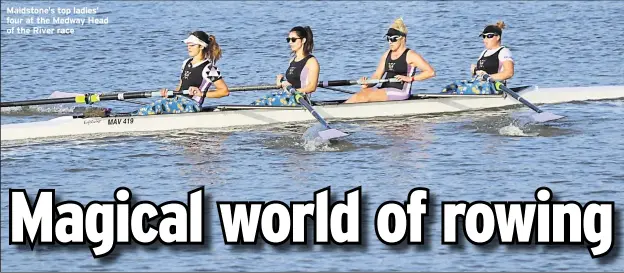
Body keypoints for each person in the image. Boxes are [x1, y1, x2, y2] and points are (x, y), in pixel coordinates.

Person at [135, 31, 229, 115]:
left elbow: (224, 91)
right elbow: (180, 87)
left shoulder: (209, 68)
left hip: (192, 105)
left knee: (159, 106)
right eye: (188, 45)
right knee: (156, 104)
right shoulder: (186, 63)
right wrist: (170, 94)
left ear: (201, 46)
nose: (188, 48)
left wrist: (202, 94)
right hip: (178, 101)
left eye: (192, 45)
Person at [344, 18, 435, 104]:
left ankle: (339, 113)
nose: (390, 42)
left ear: (402, 38)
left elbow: (430, 72)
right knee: (363, 92)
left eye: (393, 39)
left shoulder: (411, 55)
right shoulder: (386, 54)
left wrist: (411, 79)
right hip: (385, 88)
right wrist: (368, 83)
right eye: (388, 38)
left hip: (401, 91)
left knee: (366, 96)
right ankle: (340, 110)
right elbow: (377, 75)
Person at [251, 26, 320, 106]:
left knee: (268, 101)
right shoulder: (292, 61)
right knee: (263, 99)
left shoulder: (311, 62)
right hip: (289, 96)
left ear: (303, 40)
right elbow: (294, 82)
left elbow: (312, 87)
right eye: (288, 40)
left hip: (300, 99)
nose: (290, 42)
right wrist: (281, 82)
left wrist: (295, 91)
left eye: (293, 40)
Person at [442, 21, 514, 94]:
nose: (485, 40)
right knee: (452, 86)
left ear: (498, 37)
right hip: (479, 85)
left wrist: (488, 76)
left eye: (489, 36)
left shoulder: (504, 51)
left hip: (494, 87)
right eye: (483, 36)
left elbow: (509, 73)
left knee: (460, 89)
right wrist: (475, 71)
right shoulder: (484, 52)